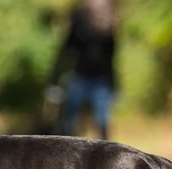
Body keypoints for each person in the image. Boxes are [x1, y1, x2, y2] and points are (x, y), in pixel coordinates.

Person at [47, 0, 118, 141]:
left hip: (101, 81)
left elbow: (111, 58)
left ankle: (106, 156)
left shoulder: (108, 28)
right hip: (80, 77)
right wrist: (54, 82)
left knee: (102, 122)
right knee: (68, 121)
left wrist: (114, 85)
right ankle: (64, 153)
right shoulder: (79, 25)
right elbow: (65, 52)